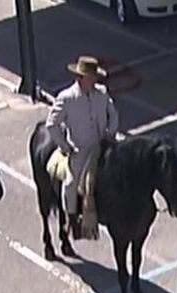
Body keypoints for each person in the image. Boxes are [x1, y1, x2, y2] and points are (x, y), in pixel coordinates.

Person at [44, 55, 119, 240]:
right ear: (81, 78)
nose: (94, 81)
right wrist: (65, 146)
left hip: (102, 147)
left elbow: (113, 114)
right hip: (80, 151)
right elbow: (51, 124)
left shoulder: (102, 93)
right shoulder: (66, 98)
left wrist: (111, 132)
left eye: (95, 77)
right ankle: (71, 220)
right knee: (71, 185)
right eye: (91, 77)